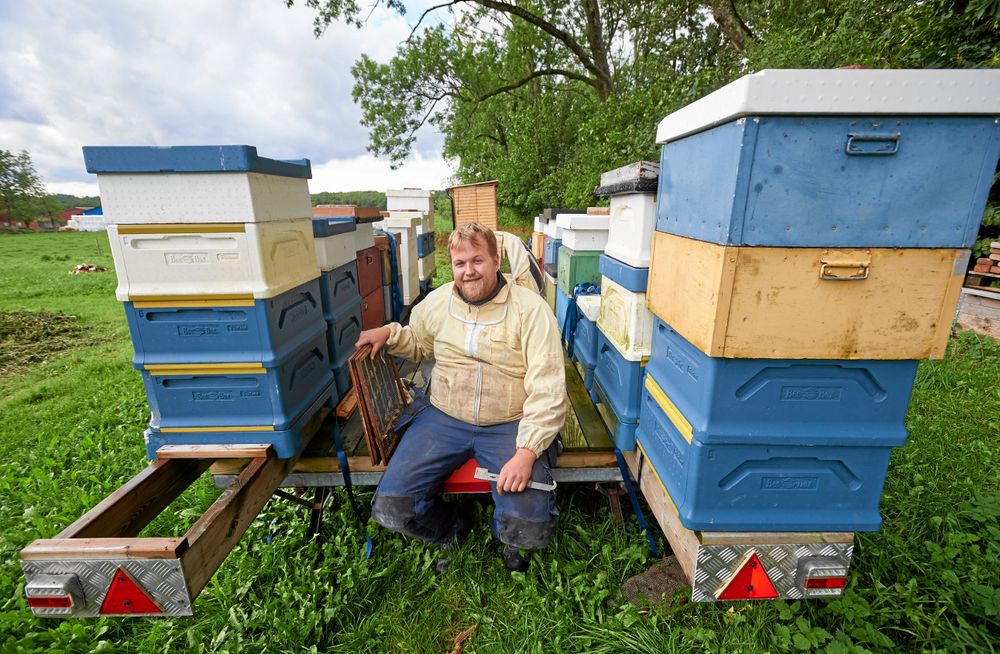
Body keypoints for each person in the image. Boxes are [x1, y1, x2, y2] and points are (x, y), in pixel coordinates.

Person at [355, 223, 567, 571]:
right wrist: (389, 334)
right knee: (393, 508)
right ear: (451, 265)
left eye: (477, 260)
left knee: (529, 527)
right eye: (460, 263)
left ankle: (510, 540)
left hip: (510, 422)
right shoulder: (438, 302)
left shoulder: (531, 310)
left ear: (496, 261)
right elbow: (418, 343)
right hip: (444, 416)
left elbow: (549, 388)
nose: (469, 271)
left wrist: (526, 452)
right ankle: (453, 524)